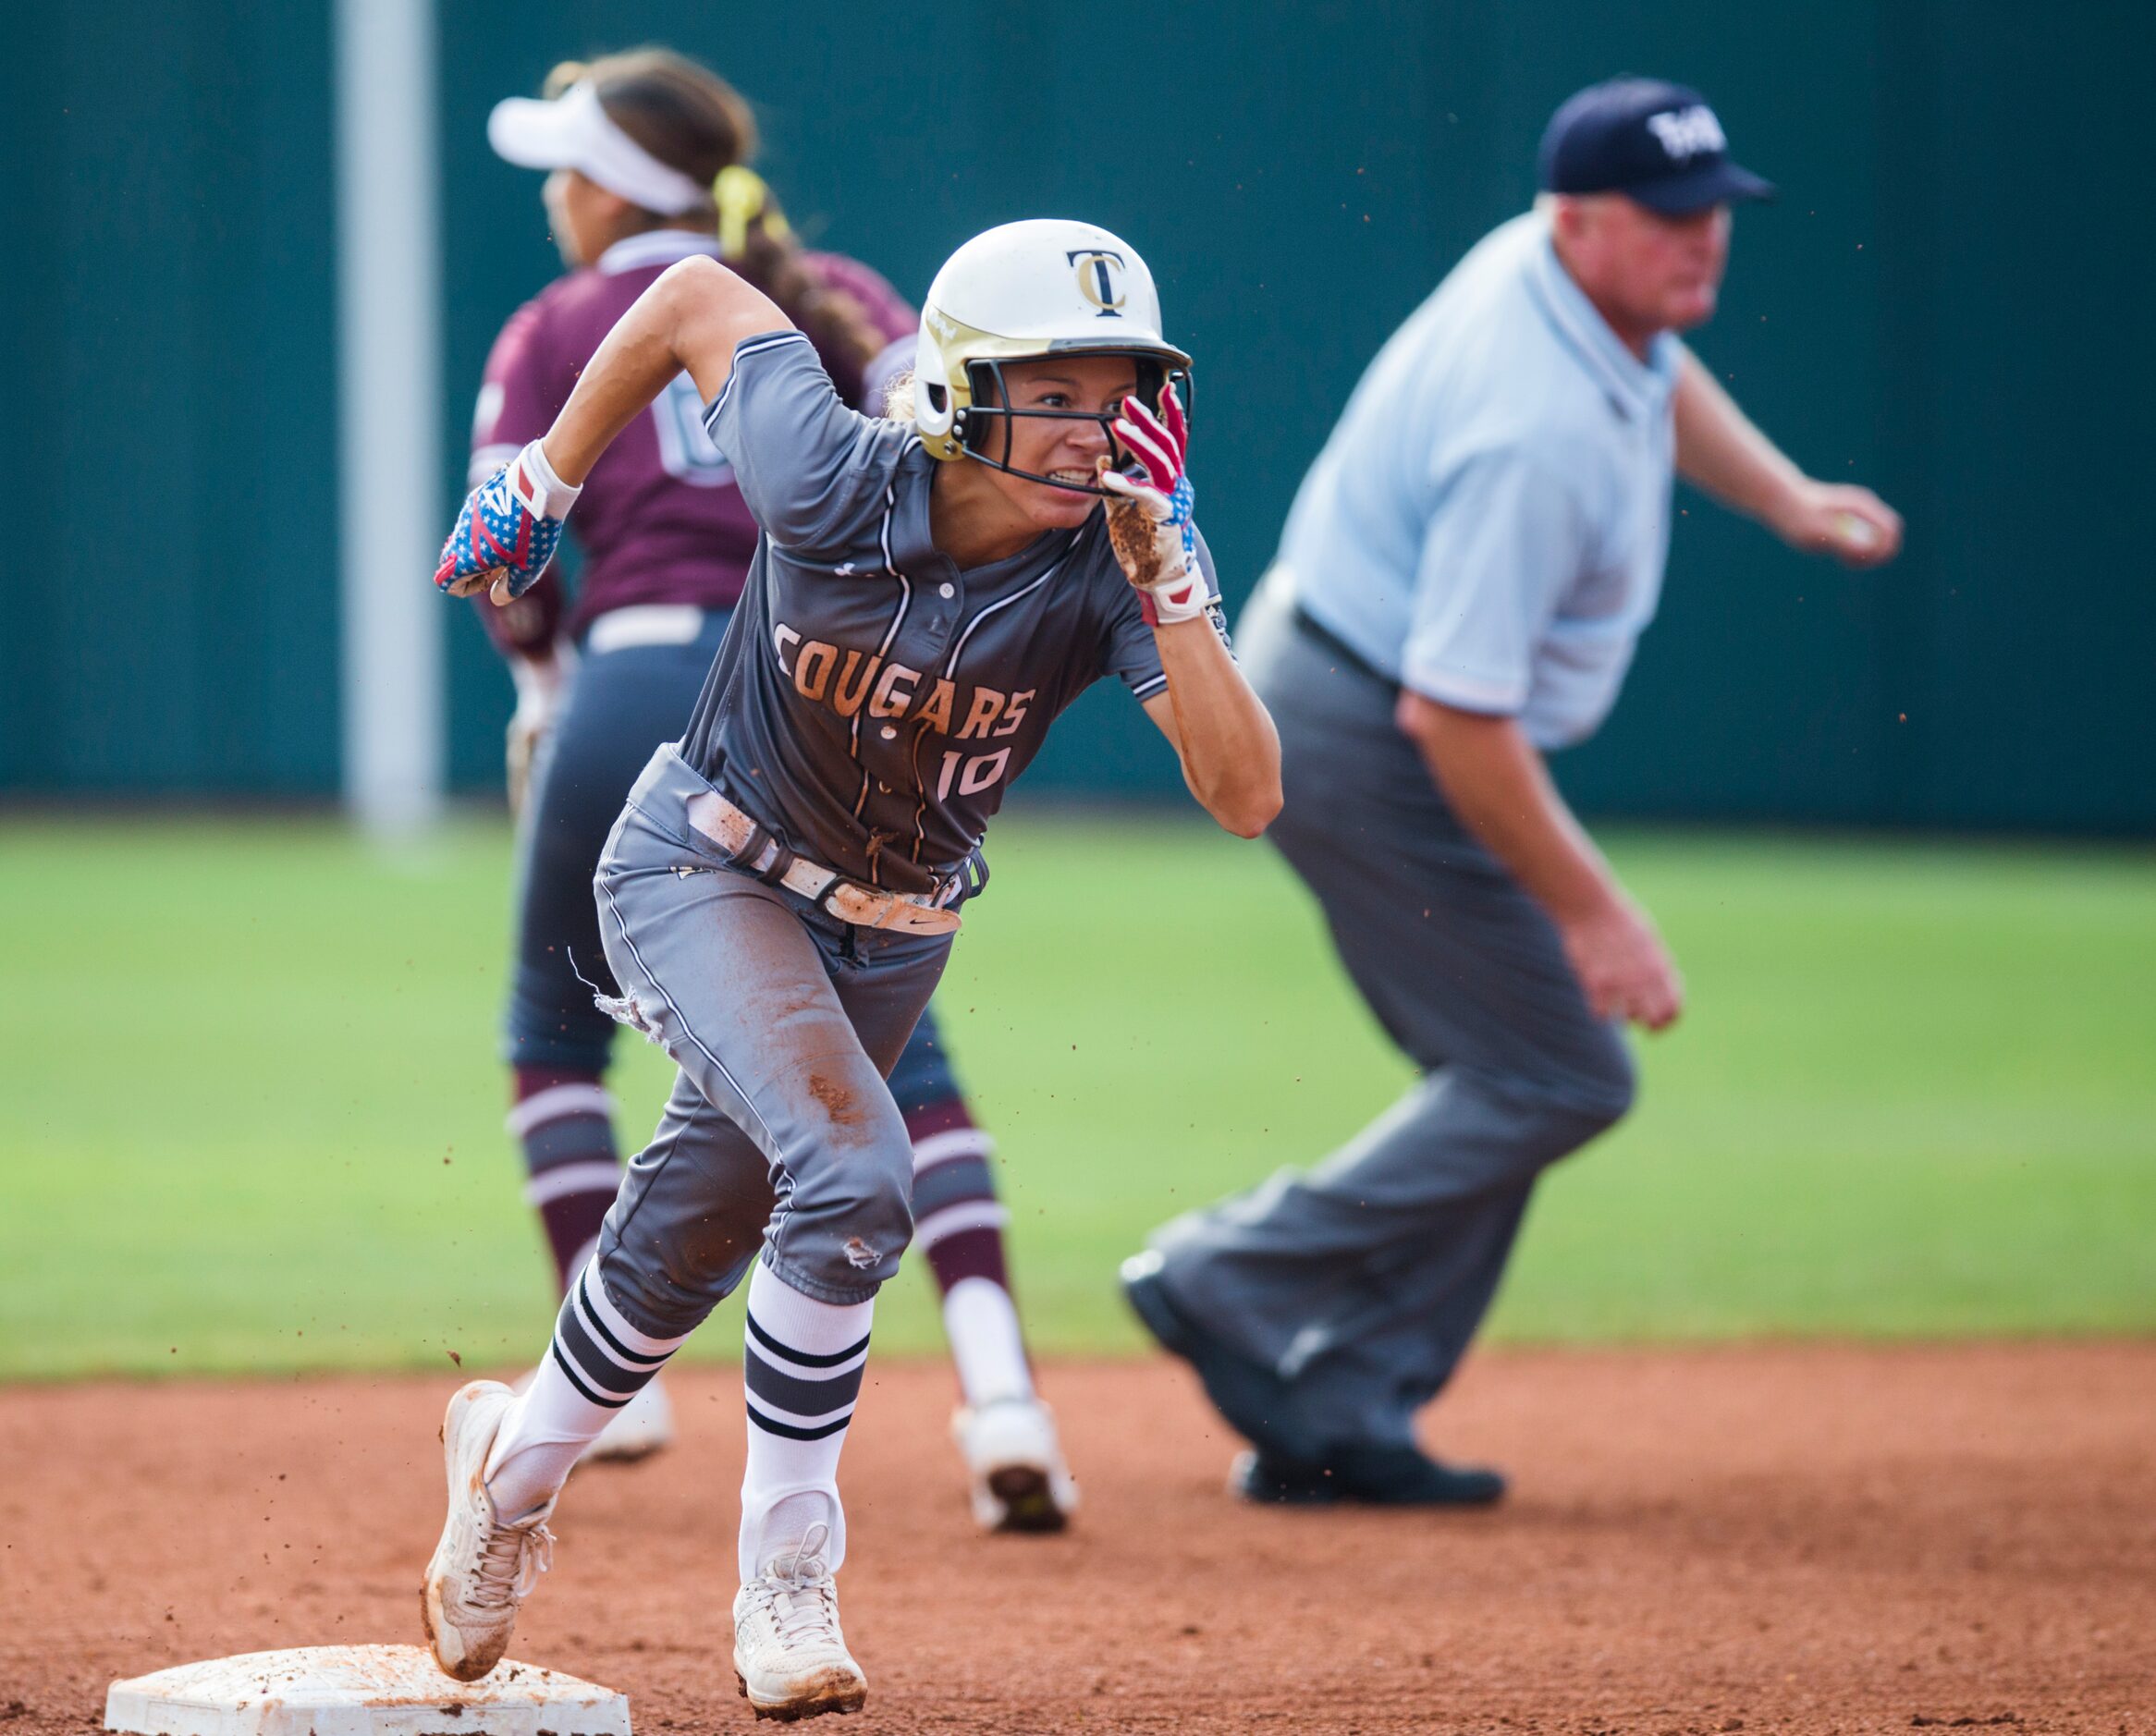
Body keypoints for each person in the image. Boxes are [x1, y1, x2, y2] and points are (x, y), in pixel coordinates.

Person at [421, 217, 1281, 1718]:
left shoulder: (1108, 574)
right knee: (857, 1173)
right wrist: (544, 482)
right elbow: (690, 293)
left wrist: (1183, 598)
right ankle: (787, 1572)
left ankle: (510, 1465)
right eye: (1060, 392)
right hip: (704, 863)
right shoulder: (831, 468)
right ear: (959, 389)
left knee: (690, 1235)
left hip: (895, 932)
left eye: (1123, 393)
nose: (1103, 431)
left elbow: (1247, 791)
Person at [1121, 78, 1903, 1508]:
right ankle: (1230, 1270)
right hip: (1369, 733)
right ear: (1579, 220)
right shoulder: (1529, 423)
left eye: (1712, 212)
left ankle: (1342, 1395)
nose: (1701, 243)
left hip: (1343, 685)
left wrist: (1785, 494)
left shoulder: (1560, 281)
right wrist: (1596, 911)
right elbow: (1458, 715)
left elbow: (1660, 377)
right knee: (1561, 1064)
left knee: (1512, 1069)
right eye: (1668, 218)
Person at [465, 49, 1077, 1531]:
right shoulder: (845, 292)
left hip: (632, 686)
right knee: (891, 1064)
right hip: (838, 690)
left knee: (553, 1032)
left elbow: (507, 561)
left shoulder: (559, 319)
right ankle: (1003, 1392)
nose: (559, 192)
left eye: (572, 166)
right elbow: (944, 491)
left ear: (619, 188)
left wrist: (541, 683)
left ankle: (610, 1395)